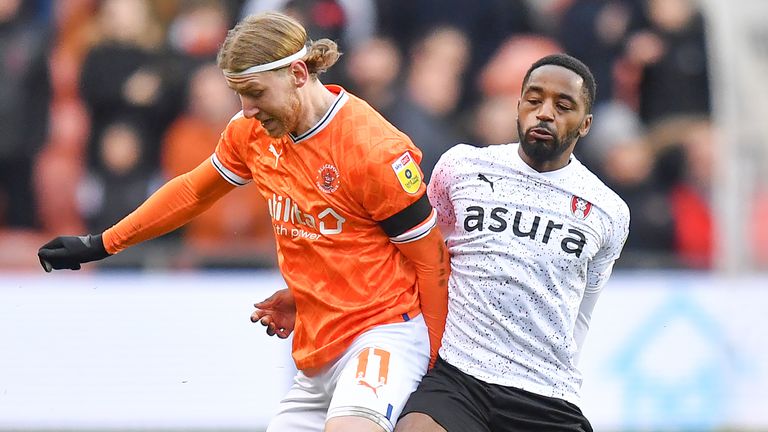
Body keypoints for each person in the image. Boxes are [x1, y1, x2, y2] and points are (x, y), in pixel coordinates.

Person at [37, 12, 449, 432]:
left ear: (298, 73)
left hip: (382, 335)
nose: (246, 110)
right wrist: (101, 244)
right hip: (316, 348)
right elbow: (192, 192)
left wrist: (435, 369)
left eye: (254, 93)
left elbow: (431, 260)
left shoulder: (372, 149)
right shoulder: (252, 132)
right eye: (238, 95)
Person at [395, 54, 630, 431]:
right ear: (518, 106)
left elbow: (582, 312)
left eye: (563, 105)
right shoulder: (462, 167)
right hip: (459, 377)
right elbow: (421, 253)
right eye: (533, 100)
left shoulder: (608, 211)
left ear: (585, 124)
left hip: (544, 393)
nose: (544, 113)